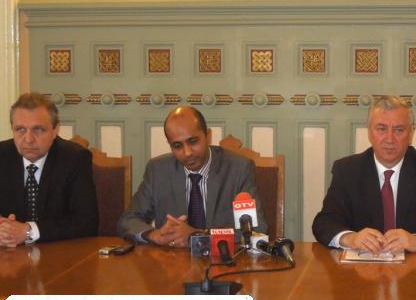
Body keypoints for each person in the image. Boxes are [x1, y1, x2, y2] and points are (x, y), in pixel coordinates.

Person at [312, 95, 416, 253]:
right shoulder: (347, 170)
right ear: (369, 132)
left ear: (411, 134)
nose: (390, 139)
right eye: (381, 129)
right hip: (362, 266)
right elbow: (324, 222)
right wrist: (350, 238)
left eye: (399, 130)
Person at [118, 105, 267, 247]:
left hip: (222, 259)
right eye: (177, 146)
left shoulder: (238, 168)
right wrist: (154, 235)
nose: (187, 152)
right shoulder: (158, 170)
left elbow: (256, 230)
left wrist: (196, 235)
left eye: (193, 141)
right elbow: (128, 220)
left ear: (208, 136)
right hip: (173, 261)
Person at [0, 92, 98, 246]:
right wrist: (4, 228)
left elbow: (87, 222)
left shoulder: (75, 159)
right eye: (20, 129)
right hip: (8, 254)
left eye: (38, 130)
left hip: (57, 252)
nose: (28, 139)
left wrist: (28, 231)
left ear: (54, 130)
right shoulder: (2, 155)